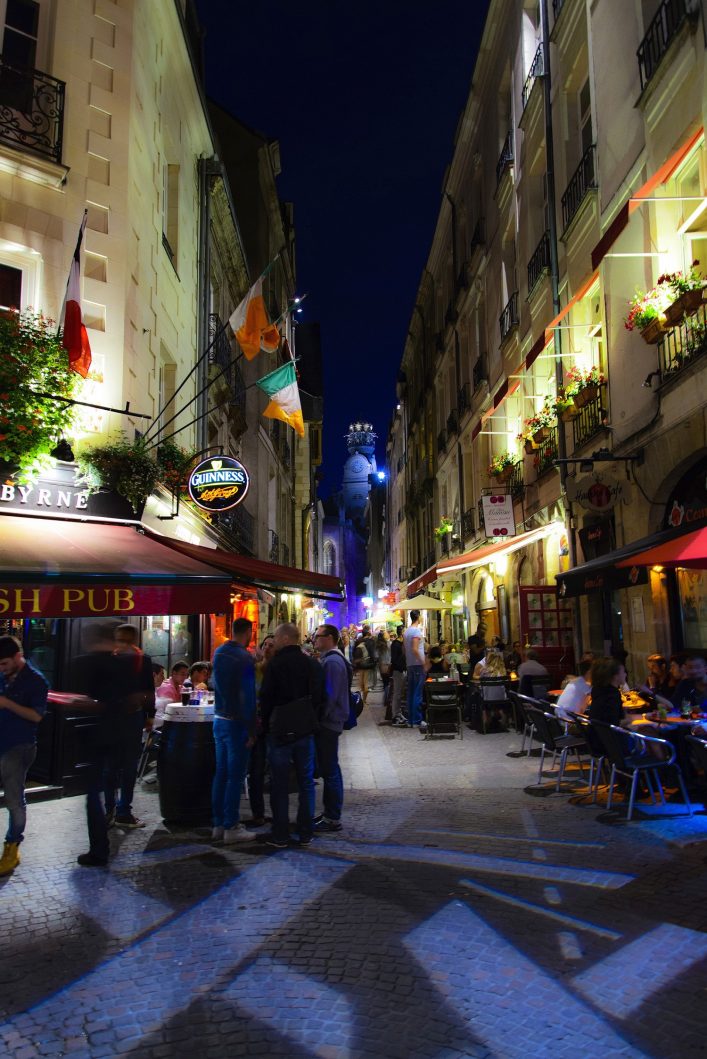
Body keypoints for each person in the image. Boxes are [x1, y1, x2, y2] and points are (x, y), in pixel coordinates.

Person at [72, 622, 147, 867]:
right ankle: (115, 814)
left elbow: (80, 699)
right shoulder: (125, 664)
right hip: (121, 732)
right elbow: (136, 697)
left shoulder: (85, 663)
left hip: (97, 736)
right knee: (116, 775)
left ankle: (100, 847)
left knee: (95, 791)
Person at [259, 623, 325, 848]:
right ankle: (306, 832)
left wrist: (265, 724)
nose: (275, 642)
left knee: (279, 783)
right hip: (305, 730)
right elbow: (319, 696)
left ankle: (280, 834)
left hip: (280, 731)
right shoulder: (311, 664)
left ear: (286, 639)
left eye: (277, 638)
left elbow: (266, 697)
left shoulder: (276, 665)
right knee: (306, 782)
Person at [0, 636, 48, 877]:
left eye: (4, 663)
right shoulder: (3, 675)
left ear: (18, 656)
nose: (1, 668)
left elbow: (36, 716)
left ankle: (12, 847)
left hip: (19, 746)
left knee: (14, 799)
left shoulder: (36, 681)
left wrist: (7, 703)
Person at [210, 617, 257, 844]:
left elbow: (214, 684)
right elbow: (248, 695)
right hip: (236, 722)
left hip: (218, 719)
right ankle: (231, 826)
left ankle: (218, 824)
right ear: (248, 632)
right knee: (235, 777)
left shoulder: (219, 652)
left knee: (221, 774)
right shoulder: (243, 657)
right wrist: (252, 729)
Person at [106, 624, 156, 829]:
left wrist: (150, 716)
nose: (123, 644)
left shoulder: (142, 660)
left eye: (127, 640)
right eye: (120, 640)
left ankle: (122, 810)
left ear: (134, 640)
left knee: (126, 766)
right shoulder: (110, 659)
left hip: (132, 717)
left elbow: (149, 690)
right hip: (114, 717)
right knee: (114, 766)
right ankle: (112, 809)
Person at [313, 623, 350, 832]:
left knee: (330, 769)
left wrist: (320, 718)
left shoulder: (333, 662)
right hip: (331, 721)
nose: (314, 640)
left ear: (329, 638)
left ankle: (333, 816)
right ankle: (330, 813)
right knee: (330, 768)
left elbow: (330, 695)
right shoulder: (330, 660)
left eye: (318, 636)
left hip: (329, 722)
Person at [245, 635, 275, 827]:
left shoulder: (278, 671)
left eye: (272, 645)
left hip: (274, 726)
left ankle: (277, 813)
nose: (267, 648)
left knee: (274, 771)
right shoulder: (254, 669)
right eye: (265, 644)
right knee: (255, 771)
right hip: (256, 727)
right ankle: (258, 813)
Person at [587, 657, 630, 728]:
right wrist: (630, 720)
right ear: (615, 676)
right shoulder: (613, 695)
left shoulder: (597, 689)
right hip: (607, 734)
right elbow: (614, 724)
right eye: (623, 672)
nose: (625, 674)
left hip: (594, 732)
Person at [403, 610, 426, 729]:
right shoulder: (416, 631)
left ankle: (411, 720)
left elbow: (404, 649)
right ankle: (417, 720)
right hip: (417, 665)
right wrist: (423, 662)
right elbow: (415, 649)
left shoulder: (406, 632)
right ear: (418, 617)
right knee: (417, 693)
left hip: (410, 664)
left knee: (411, 693)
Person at [389, 625, 407, 727]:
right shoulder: (396, 644)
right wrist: (401, 667)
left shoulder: (401, 643)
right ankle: (395, 716)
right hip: (398, 671)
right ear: (402, 632)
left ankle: (398, 713)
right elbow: (395, 659)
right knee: (397, 693)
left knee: (400, 694)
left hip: (401, 670)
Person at [354, 625, 376, 704]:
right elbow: (373, 653)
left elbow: (354, 652)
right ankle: (364, 700)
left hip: (360, 664)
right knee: (367, 683)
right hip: (368, 664)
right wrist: (373, 663)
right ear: (368, 632)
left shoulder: (358, 640)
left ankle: (361, 699)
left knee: (361, 683)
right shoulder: (371, 641)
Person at [376, 630, 392, 708]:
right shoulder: (389, 644)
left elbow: (376, 656)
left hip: (381, 665)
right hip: (389, 665)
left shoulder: (378, 646)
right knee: (388, 683)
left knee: (385, 683)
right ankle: (387, 700)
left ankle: (385, 700)